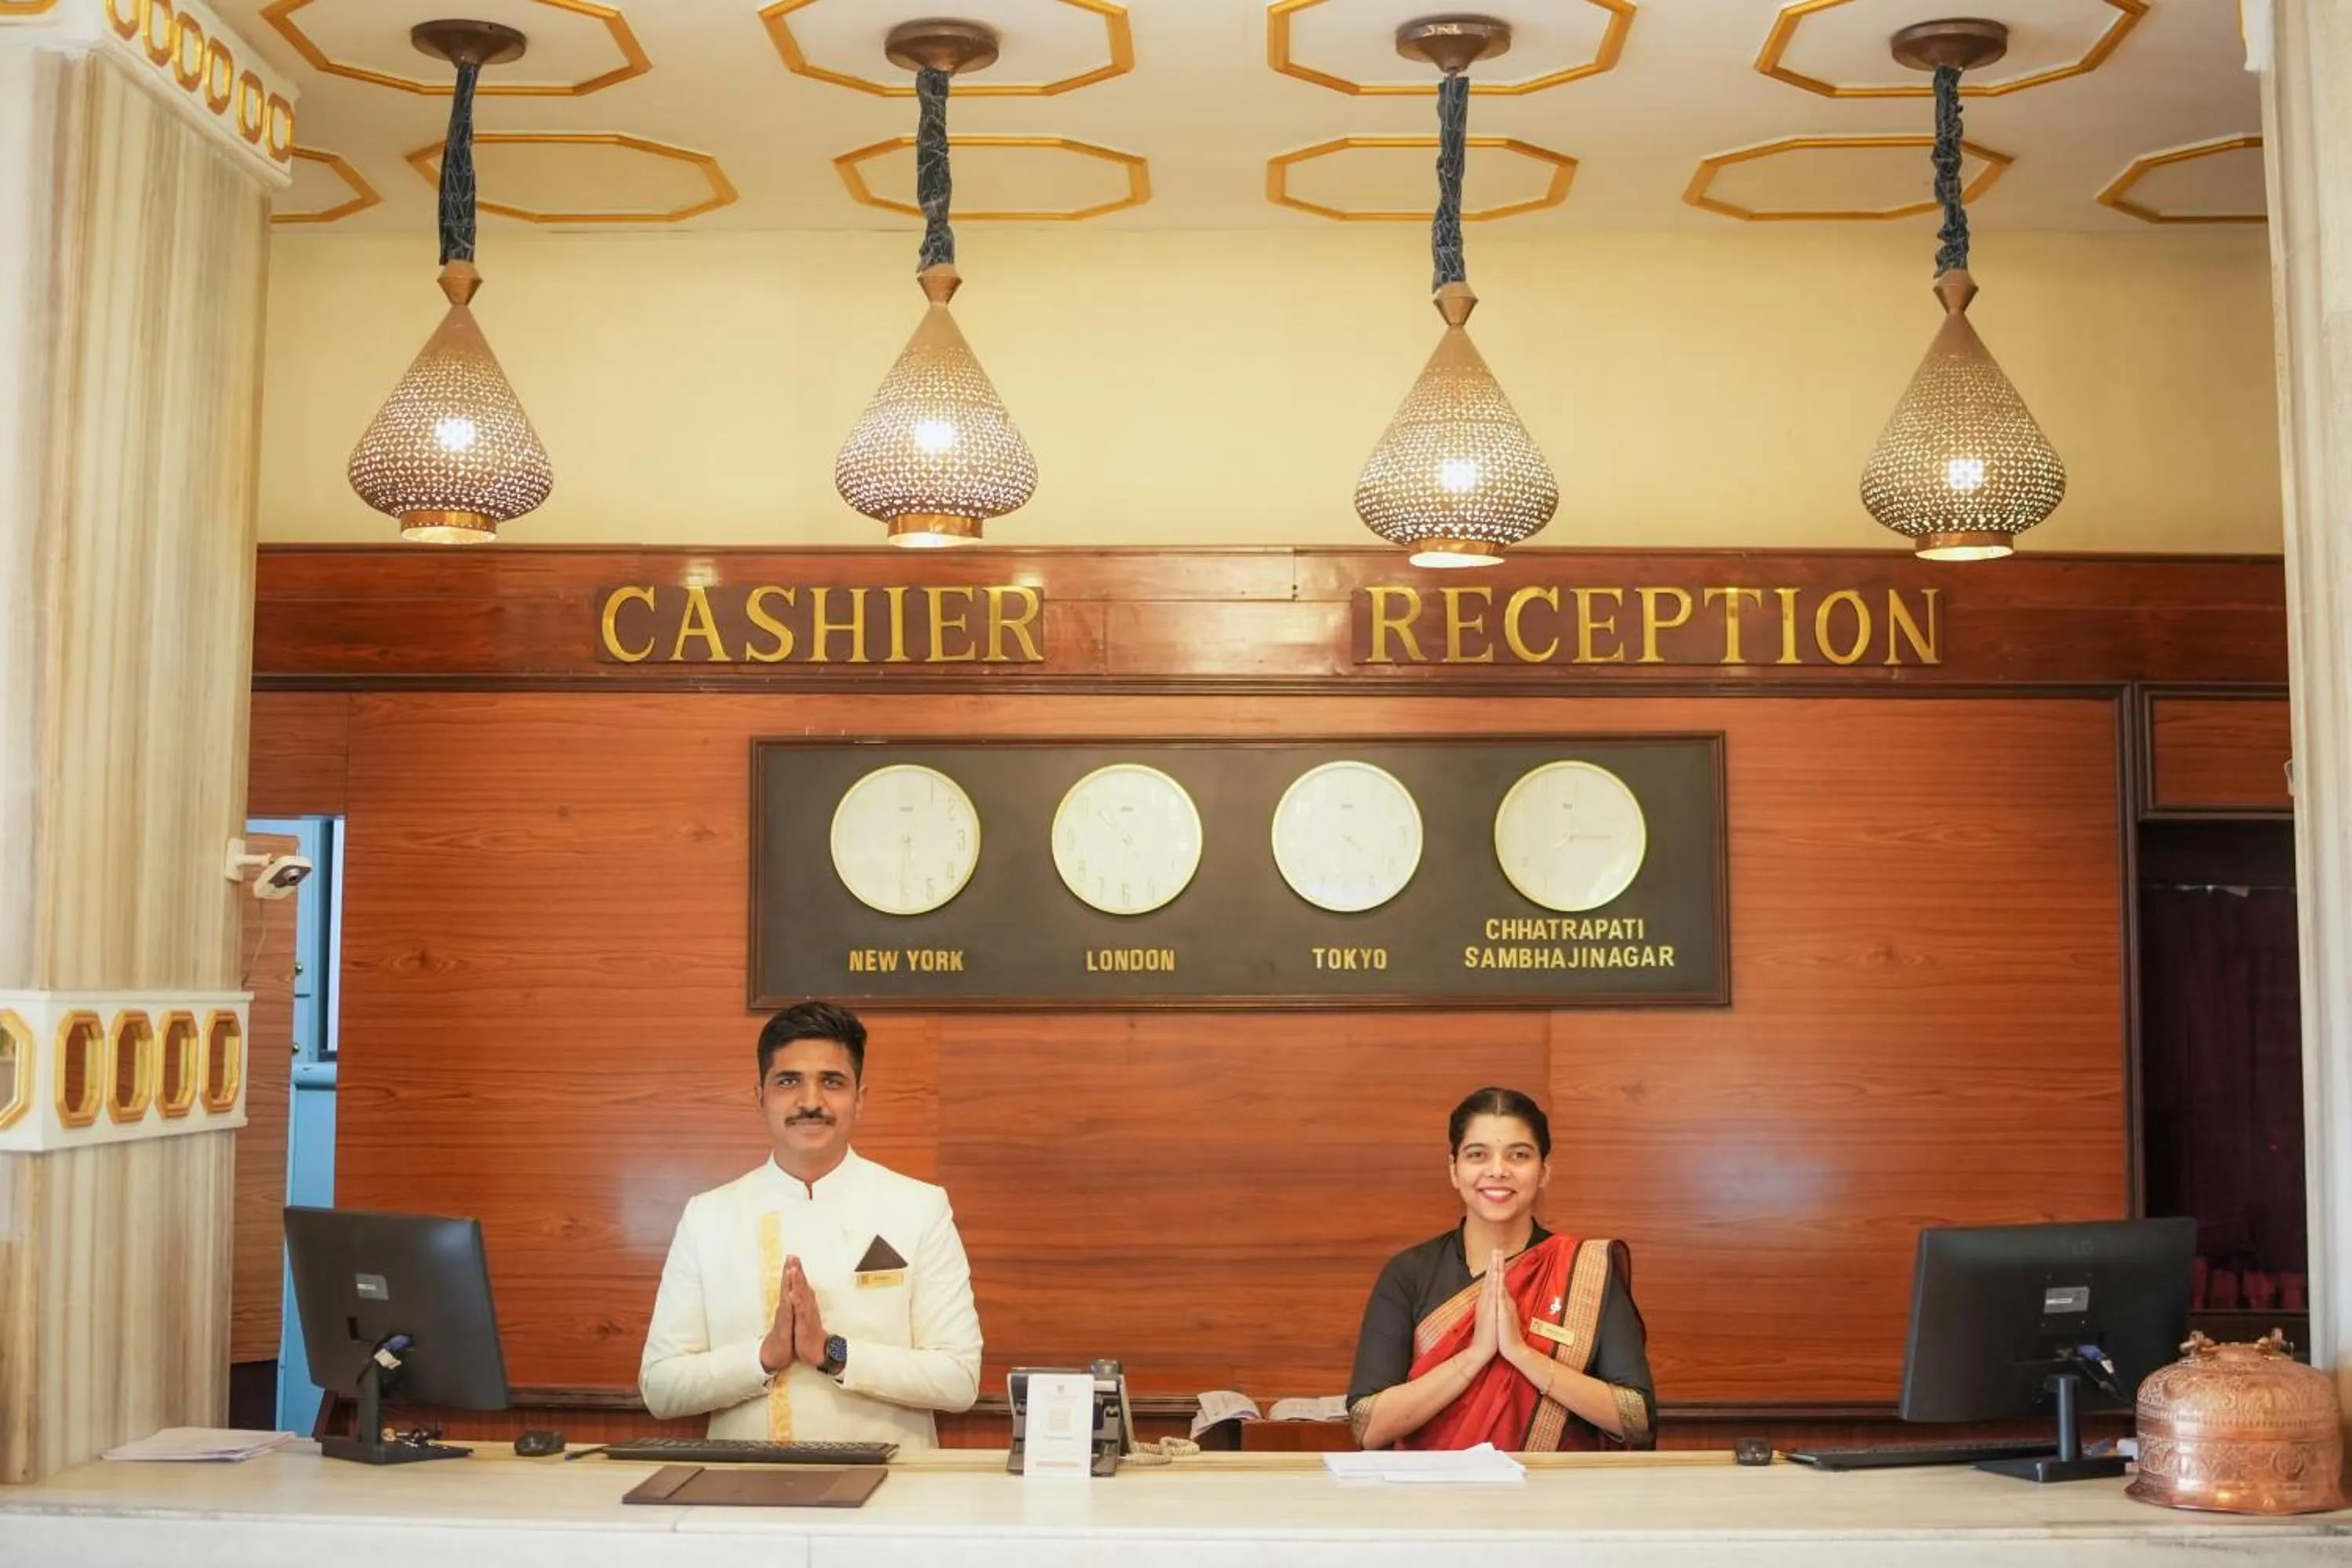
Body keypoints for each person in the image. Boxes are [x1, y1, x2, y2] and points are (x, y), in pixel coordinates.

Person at [639, 1000, 982, 1444]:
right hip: (741, 1496)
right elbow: (661, 1388)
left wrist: (832, 1352)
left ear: (859, 1099)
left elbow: (958, 1379)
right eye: (788, 1081)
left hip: (892, 1495)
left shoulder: (918, 1207)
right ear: (760, 1098)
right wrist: (762, 1356)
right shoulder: (708, 1216)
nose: (810, 1102)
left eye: (832, 1082)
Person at [1345, 1086, 1655, 1451]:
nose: (1497, 1171)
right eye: (1477, 1155)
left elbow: (1636, 1419)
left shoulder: (1585, 1272)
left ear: (1544, 1171)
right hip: (1433, 1499)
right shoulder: (1408, 1273)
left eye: (1518, 1156)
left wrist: (1522, 1354)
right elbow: (1367, 1426)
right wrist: (1474, 1356)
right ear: (1454, 1170)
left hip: (1558, 1499)